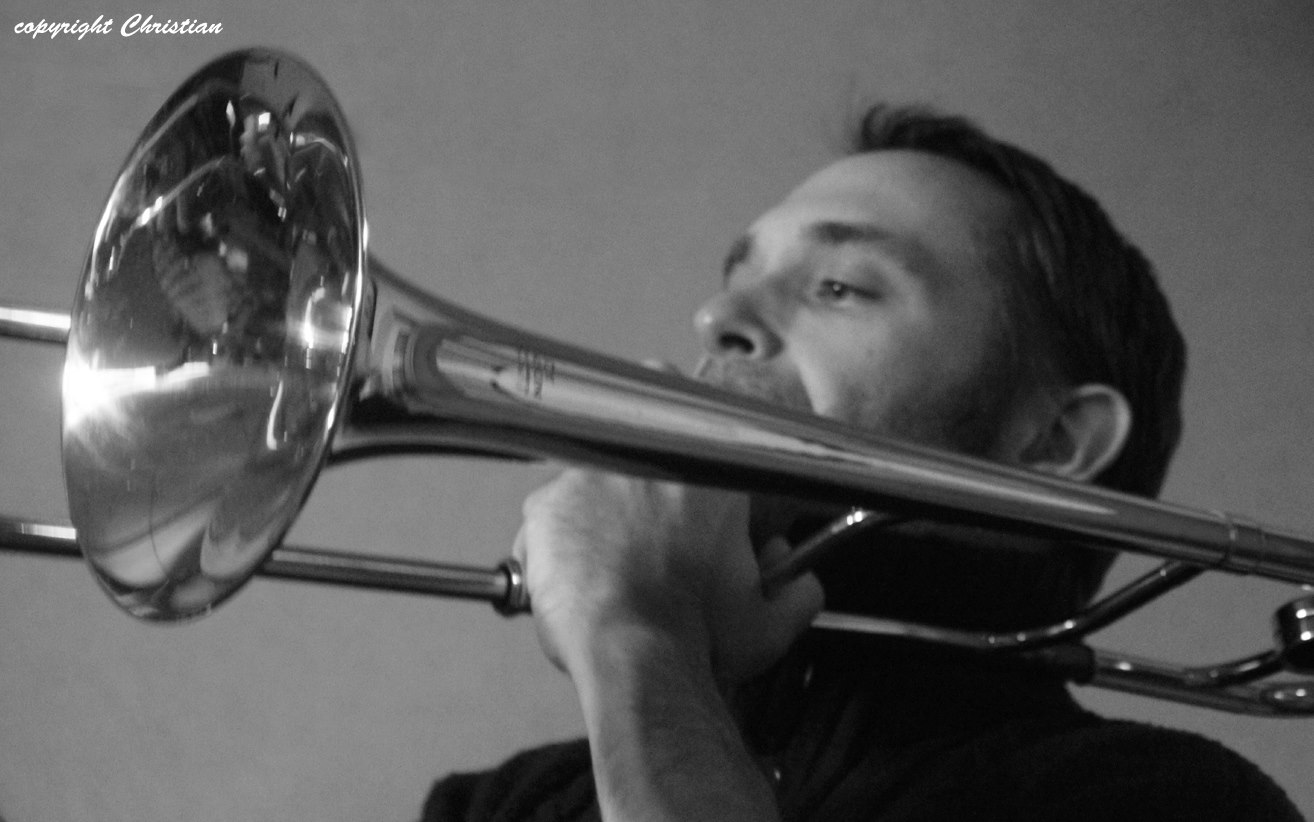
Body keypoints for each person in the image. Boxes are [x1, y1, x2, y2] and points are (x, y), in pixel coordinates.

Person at [421, 106, 1304, 821]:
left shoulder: (1164, 800)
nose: (717, 314)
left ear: (1053, 442)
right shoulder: (502, 807)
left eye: (839, 286)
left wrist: (638, 640)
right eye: (738, 274)